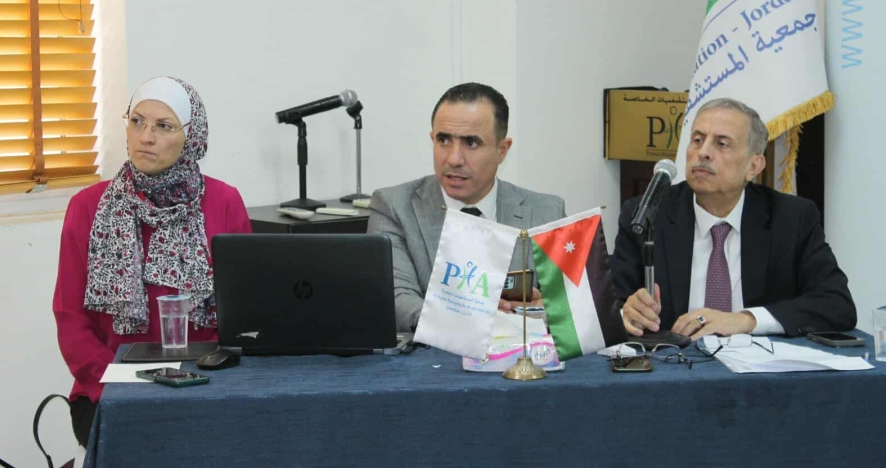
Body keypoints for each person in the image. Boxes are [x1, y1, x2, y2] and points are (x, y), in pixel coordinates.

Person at [53, 76, 251, 447]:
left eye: (163, 126)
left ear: (191, 137)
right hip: (112, 385)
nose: (145, 137)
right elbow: (71, 318)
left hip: (205, 381)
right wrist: (120, 381)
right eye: (137, 121)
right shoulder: (88, 207)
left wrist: (210, 378)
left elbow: (245, 311)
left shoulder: (224, 202)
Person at [612, 97, 856, 341]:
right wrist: (627, 314)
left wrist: (745, 320)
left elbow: (837, 304)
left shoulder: (791, 218)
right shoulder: (647, 216)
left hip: (760, 363)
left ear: (754, 166)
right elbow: (610, 307)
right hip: (674, 361)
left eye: (722, 144)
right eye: (697, 140)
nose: (703, 152)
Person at [367, 82, 566, 332]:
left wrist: (546, 313)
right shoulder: (394, 206)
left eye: (471, 143)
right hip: (433, 355)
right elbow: (398, 301)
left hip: (519, 353)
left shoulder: (547, 213)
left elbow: (570, 309)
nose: (453, 159)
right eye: (443, 140)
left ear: (502, 150)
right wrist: (477, 319)